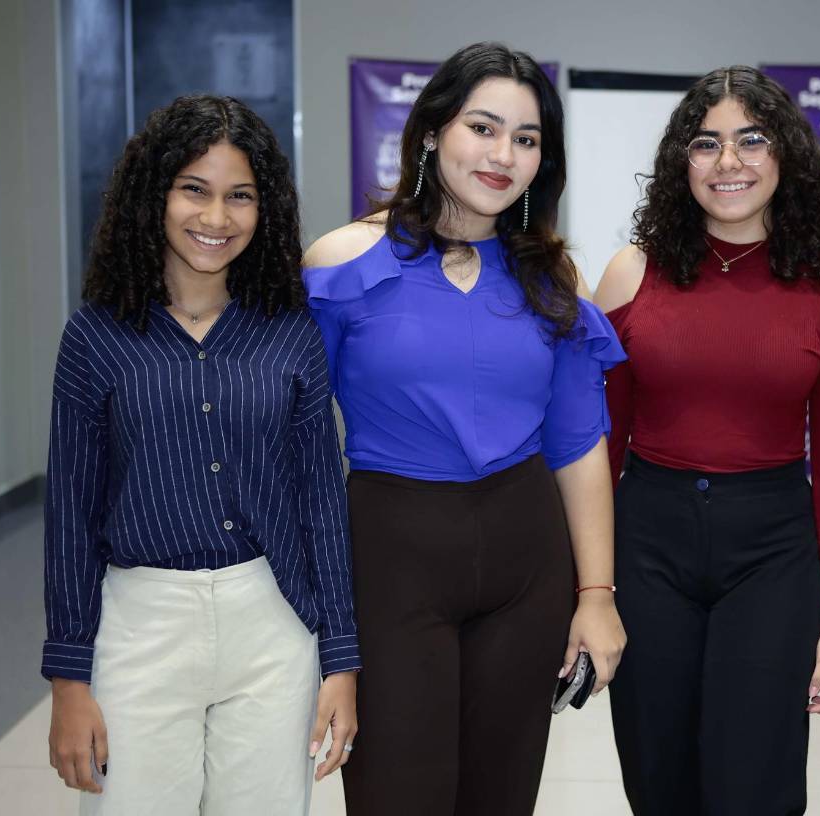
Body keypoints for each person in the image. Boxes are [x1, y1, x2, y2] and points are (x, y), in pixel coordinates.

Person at [302, 42, 626, 816]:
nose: (503, 155)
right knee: (396, 795)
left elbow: (578, 446)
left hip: (525, 566)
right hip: (390, 559)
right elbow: (295, 443)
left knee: (500, 798)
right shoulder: (342, 263)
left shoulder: (554, 279)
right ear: (430, 133)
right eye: (483, 128)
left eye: (526, 138)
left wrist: (596, 596)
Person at [42, 95, 359, 815]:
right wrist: (69, 679)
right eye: (194, 189)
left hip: (272, 622)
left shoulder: (290, 332)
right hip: (140, 626)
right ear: (154, 194)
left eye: (240, 195)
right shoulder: (96, 336)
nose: (216, 217)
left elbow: (321, 500)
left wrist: (341, 660)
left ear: (264, 209)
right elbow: (70, 513)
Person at [593, 66, 820, 816]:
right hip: (647, 546)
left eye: (751, 140)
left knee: (754, 785)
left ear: (786, 155)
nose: (728, 162)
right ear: (681, 161)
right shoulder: (630, 275)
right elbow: (597, 449)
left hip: (774, 555)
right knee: (658, 779)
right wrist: (584, 590)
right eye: (706, 143)